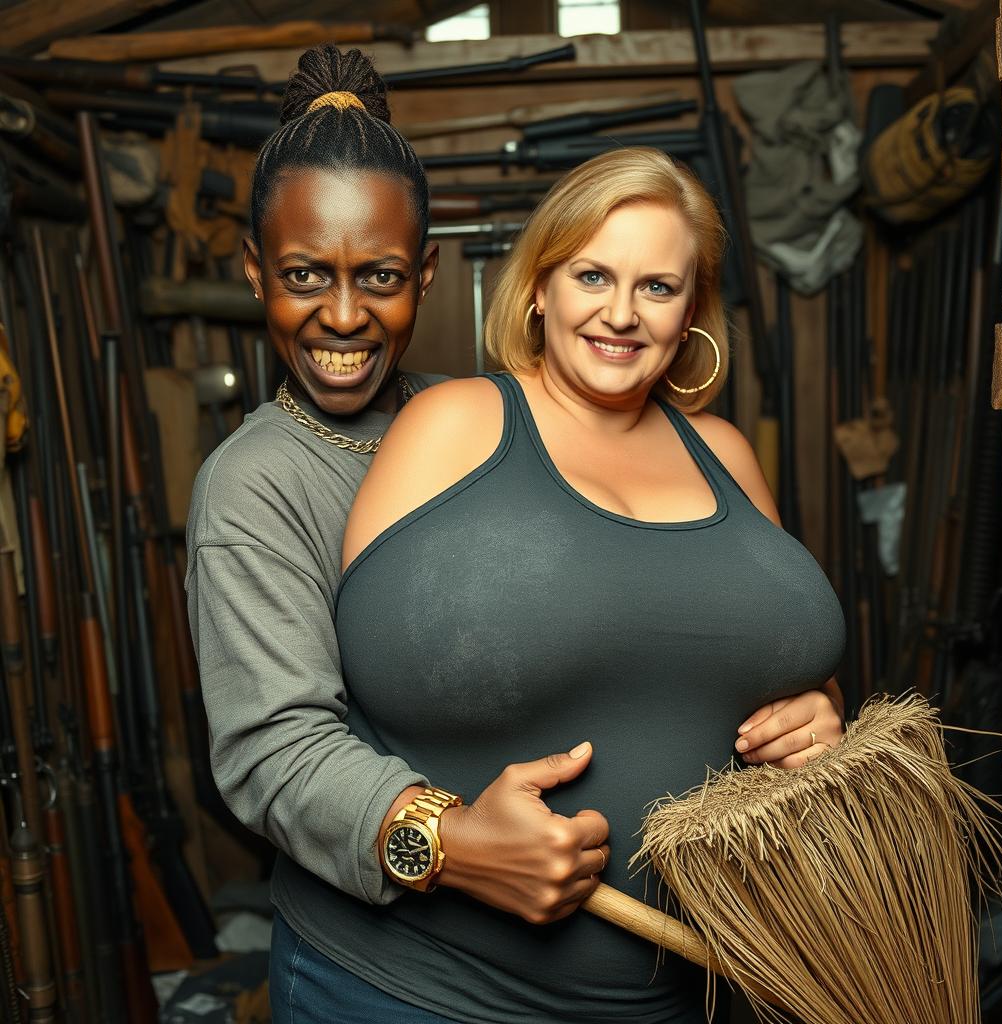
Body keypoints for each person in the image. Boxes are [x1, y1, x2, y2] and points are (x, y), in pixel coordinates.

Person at [334, 147, 847, 1023]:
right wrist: (445, 839)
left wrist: (822, 711)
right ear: (539, 287)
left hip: (703, 993)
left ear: (692, 312)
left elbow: (775, 665)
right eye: (593, 275)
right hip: (434, 993)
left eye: (657, 287)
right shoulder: (456, 425)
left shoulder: (721, 453)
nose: (621, 313)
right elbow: (338, 690)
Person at [183, 44, 448, 1019]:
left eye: (378, 275)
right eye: (305, 274)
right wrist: (451, 841)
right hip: (370, 979)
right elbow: (276, 756)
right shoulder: (251, 487)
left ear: (424, 270)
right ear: (256, 271)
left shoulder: (476, 418)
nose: (343, 317)